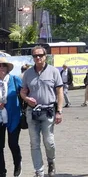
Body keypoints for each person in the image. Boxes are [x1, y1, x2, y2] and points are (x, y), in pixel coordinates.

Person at [20, 45, 64, 177]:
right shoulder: (27, 74)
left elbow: (60, 92)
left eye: (40, 55)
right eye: (35, 56)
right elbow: (23, 92)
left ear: (46, 56)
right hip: (32, 112)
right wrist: (27, 99)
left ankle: (51, 162)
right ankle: (39, 171)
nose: (38, 58)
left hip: (48, 111)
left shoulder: (54, 71)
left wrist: (59, 111)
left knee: (49, 142)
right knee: (34, 143)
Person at [0, 57, 22, 177]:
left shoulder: (15, 80)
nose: (2, 68)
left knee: (13, 144)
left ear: (8, 68)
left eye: (4, 65)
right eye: (0, 66)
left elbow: (25, 92)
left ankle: (18, 164)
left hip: (14, 117)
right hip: (0, 117)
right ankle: (2, 171)